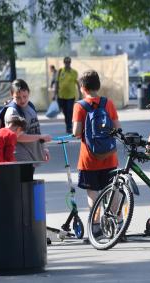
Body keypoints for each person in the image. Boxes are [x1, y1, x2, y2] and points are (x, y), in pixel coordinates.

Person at [72, 70, 121, 238]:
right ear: (98, 85)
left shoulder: (79, 106)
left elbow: (77, 132)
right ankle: (118, 225)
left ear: (82, 87)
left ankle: (96, 228)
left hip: (89, 160)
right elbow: (117, 128)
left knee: (93, 194)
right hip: (110, 157)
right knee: (113, 191)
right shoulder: (109, 103)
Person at [4, 79, 51, 167]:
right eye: (18, 97)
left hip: (31, 154)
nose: (22, 100)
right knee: (24, 180)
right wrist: (40, 137)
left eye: (24, 96)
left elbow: (36, 128)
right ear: (11, 95)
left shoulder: (30, 106)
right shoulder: (12, 112)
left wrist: (44, 147)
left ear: (29, 92)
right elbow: (17, 136)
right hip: (20, 156)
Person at [55, 57, 81, 133]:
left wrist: (80, 93)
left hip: (70, 96)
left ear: (70, 62)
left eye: (68, 62)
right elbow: (57, 83)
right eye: (66, 62)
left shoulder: (74, 72)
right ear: (64, 63)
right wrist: (55, 94)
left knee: (69, 111)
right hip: (61, 95)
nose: (67, 63)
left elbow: (78, 84)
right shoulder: (60, 71)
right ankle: (68, 123)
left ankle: (69, 127)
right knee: (65, 111)